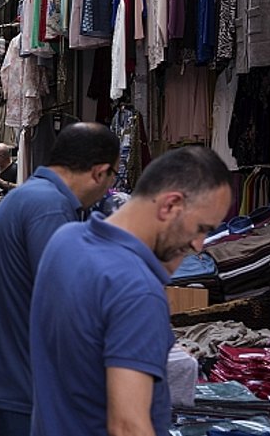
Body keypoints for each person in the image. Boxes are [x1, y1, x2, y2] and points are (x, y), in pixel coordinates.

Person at [30, 146, 232, 436]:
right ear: (170, 205)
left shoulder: (65, 239)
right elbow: (128, 426)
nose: (200, 245)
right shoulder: (136, 290)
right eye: (201, 228)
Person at [0, 123, 120, 436]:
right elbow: (67, 305)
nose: (109, 188)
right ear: (100, 172)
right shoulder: (49, 207)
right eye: (113, 177)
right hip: (27, 387)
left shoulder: (32, 197)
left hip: (12, 380)